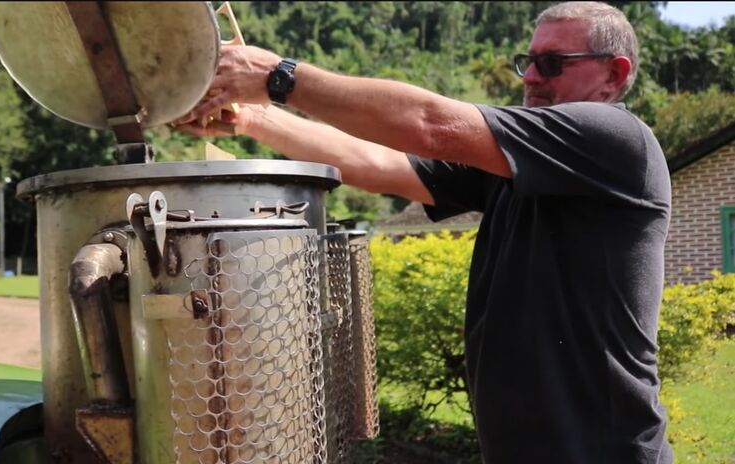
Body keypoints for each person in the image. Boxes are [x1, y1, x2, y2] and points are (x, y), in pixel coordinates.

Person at [172, 2, 673, 462]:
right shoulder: (516, 166)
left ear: (614, 73)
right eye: (529, 61)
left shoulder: (616, 140)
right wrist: (255, 118)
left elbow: (431, 124)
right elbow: (376, 163)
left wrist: (278, 76)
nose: (533, 78)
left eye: (554, 63)